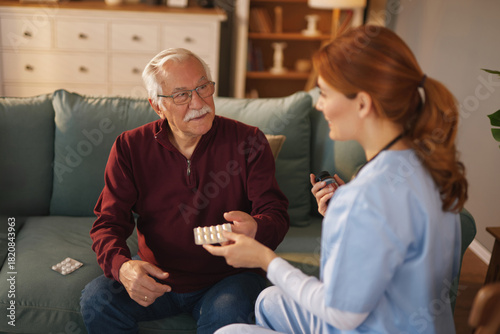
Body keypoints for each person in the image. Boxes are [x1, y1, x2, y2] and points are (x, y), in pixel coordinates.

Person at [204, 25, 468, 333]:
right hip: (416, 322)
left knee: (228, 332)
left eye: (325, 94)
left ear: (363, 103)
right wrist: (345, 218)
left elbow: (342, 313)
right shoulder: (427, 165)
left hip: (365, 323)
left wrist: (264, 258)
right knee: (270, 299)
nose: (318, 105)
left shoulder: (364, 196)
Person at [80, 48, 290, 334]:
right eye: (181, 95)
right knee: (96, 301)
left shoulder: (249, 140)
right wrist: (123, 268)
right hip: (159, 274)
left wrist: (257, 228)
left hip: (230, 277)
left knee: (227, 315)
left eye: (203, 87)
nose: (199, 102)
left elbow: (274, 214)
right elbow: (108, 223)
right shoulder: (130, 148)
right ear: (158, 106)